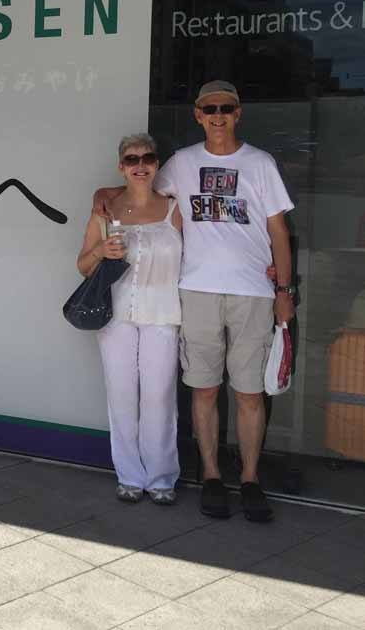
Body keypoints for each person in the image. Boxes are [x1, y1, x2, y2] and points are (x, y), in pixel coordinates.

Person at [96, 80, 294, 522]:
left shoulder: (260, 163)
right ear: (198, 115)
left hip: (253, 292)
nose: (218, 115)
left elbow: (279, 231)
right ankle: (209, 476)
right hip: (195, 290)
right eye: (210, 108)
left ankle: (249, 479)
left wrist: (284, 291)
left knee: (249, 393)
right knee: (203, 390)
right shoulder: (181, 164)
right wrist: (102, 196)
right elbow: (138, 190)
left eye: (226, 107)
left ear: (238, 113)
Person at [78, 133, 182, 504]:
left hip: (164, 314)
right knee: (121, 395)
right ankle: (129, 476)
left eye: (148, 158)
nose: (140, 164)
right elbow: (82, 265)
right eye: (132, 159)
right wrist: (102, 251)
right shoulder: (105, 210)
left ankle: (161, 478)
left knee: (159, 397)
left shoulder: (175, 209)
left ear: (157, 164)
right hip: (116, 314)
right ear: (121, 166)